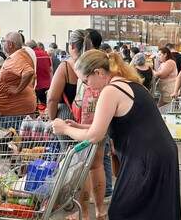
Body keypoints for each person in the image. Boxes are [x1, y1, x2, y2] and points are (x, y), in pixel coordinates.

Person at [52, 49, 181, 220]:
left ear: (98, 72)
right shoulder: (129, 83)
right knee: (154, 211)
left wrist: (65, 129)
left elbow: (95, 136)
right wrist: (79, 126)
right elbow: (106, 126)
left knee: (124, 210)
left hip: (147, 158)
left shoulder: (110, 91)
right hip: (160, 154)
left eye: (86, 80)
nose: (86, 86)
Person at [69, 29, 110, 220]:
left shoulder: (76, 65)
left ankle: (84, 214)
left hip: (86, 117)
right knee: (97, 165)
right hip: (101, 116)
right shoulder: (102, 62)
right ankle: (100, 210)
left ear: (72, 46)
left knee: (83, 166)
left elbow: (53, 96)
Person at [0, 32, 36, 119]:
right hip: (18, 109)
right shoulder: (21, 54)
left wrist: (17, 90)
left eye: (3, 41)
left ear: (10, 44)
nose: (3, 44)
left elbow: (28, 72)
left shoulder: (16, 57)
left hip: (15, 112)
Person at [26, 40, 52, 105]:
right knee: (45, 106)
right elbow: (51, 69)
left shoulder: (30, 55)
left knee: (35, 107)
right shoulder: (45, 54)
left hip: (36, 85)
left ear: (29, 48)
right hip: (47, 85)